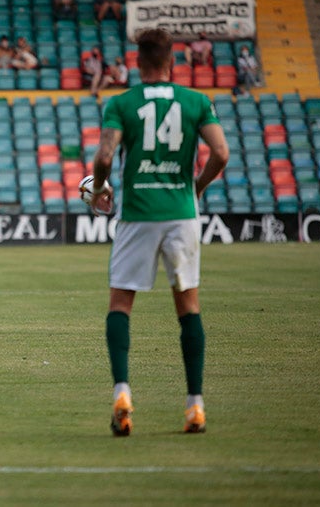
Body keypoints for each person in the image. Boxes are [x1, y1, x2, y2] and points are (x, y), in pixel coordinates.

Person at [88, 27, 229, 437]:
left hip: (138, 214)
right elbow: (220, 153)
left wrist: (98, 190)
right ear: (172, 61)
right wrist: (196, 187)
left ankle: (122, 394)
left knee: (120, 303)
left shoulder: (122, 103)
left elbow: (104, 156)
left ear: (138, 62)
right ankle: (196, 407)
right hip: (181, 213)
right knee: (188, 307)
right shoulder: (197, 101)